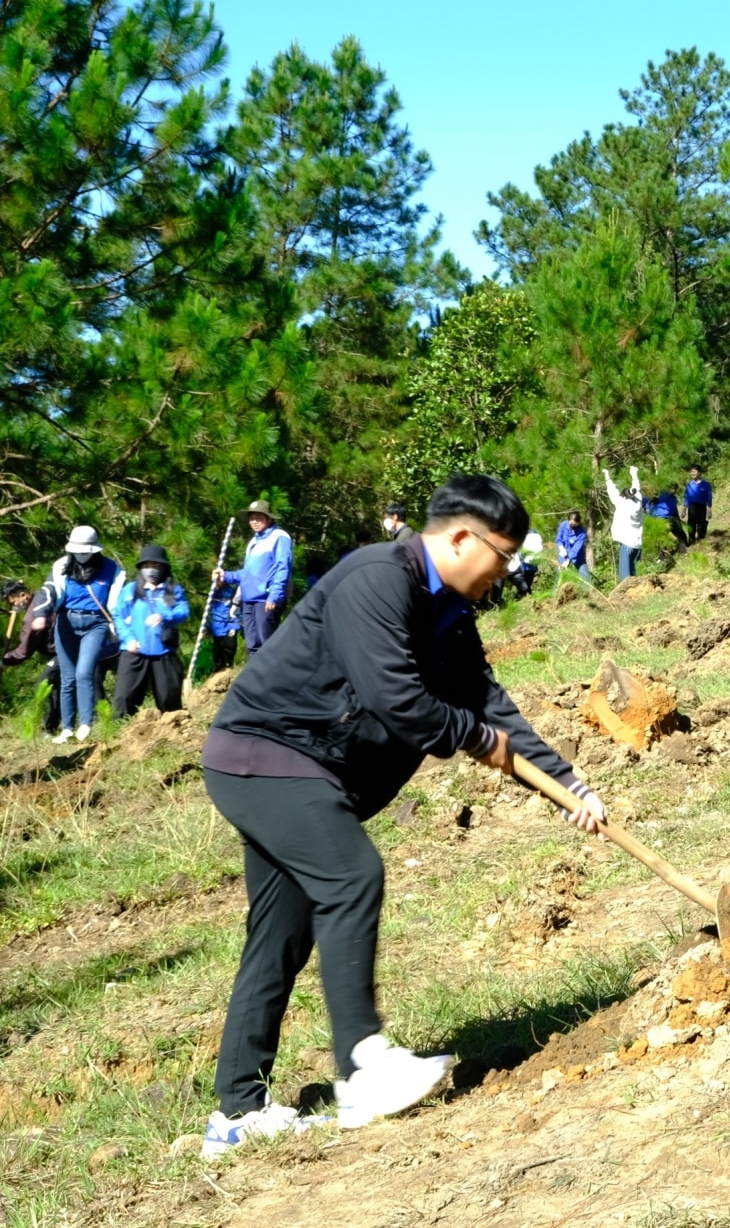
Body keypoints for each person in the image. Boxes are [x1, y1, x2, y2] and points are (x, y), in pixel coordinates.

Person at [195, 476, 604, 1157]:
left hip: (311, 773)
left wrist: (568, 785)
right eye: (501, 555)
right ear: (462, 537)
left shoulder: (451, 615)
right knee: (353, 874)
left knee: (282, 934)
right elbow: (396, 697)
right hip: (265, 754)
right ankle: (363, 1066)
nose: (505, 570)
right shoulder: (377, 580)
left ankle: (237, 1112)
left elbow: (488, 704)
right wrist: (476, 740)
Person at [48, 526, 122, 744]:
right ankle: (67, 728)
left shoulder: (111, 569)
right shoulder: (61, 565)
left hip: (96, 624)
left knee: (84, 673)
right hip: (66, 623)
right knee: (67, 677)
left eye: (85, 549)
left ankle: (85, 724)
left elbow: (115, 601)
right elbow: (53, 593)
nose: (80, 554)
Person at [110, 544, 191, 716]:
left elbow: (183, 611)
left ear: (164, 568)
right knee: (124, 699)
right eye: (147, 566)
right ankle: (119, 735)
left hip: (164, 650)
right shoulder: (130, 590)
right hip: (134, 651)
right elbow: (118, 616)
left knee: (169, 699)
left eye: (156, 566)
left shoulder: (172, 590)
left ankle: (172, 733)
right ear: (140, 568)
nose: (151, 570)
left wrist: (165, 616)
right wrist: (129, 639)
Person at [218, 500, 291, 654]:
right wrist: (226, 575)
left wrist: (274, 596)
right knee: (252, 644)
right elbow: (247, 574)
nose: (255, 521)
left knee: (268, 644)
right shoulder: (253, 542)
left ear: (269, 518)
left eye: (259, 517)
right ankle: (254, 677)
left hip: (266, 600)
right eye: (252, 518)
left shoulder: (279, 536)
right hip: (249, 599)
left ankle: (274, 677)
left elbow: (282, 567)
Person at [3, 577, 60, 736]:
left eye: (12, 601)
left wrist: (5, 661)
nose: (12, 605)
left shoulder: (34, 613)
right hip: (60, 651)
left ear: (22, 595)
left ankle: (50, 728)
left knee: (44, 682)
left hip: (63, 651)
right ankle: (51, 727)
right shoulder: (37, 604)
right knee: (55, 686)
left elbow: (24, 650)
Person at [604, 466, 646, 578]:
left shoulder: (623, 505)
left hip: (627, 544)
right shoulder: (638, 501)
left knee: (625, 575)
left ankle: (626, 593)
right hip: (637, 544)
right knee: (632, 571)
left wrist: (607, 477)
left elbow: (612, 492)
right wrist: (634, 473)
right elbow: (636, 487)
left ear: (624, 497)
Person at [208, 572, 243, 672]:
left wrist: (235, 626)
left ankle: (228, 674)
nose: (217, 582)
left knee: (228, 656)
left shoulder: (231, 593)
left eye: (219, 579)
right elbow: (209, 612)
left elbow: (238, 610)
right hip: (216, 629)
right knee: (218, 660)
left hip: (229, 628)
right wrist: (208, 627)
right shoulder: (212, 593)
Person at [645, 479, 690, 550]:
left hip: (665, 517)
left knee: (676, 534)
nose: (674, 491)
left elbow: (674, 509)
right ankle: (663, 554)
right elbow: (650, 503)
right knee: (665, 536)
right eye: (673, 488)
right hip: (663, 518)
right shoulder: (663, 495)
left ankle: (682, 549)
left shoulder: (672, 498)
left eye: (675, 489)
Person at [554, 510, 593, 584]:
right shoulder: (563, 525)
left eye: (575, 524)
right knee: (560, 574)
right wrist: (561, 547)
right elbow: (559, 539)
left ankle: (589, 592)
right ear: (568, 521)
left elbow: (575, 550)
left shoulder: (582, 533)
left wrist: (568, 561)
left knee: (585, 576)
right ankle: (556, 593)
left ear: (579, 523)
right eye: (571, 524)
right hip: (564, 555)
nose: (572, 526)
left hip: (578, 557)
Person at [685, 466, 714, 542]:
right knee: (691, 523)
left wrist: (709, 509)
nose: (692, 473)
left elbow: (709, 496)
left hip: (702, 507)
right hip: (692, 507)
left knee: (701, 523)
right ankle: (691, 538)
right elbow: (686, 497)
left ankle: (701, 538)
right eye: (691, 472)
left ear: (700, 473)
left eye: (694, 471)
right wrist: (684, 509)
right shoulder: (689, 485)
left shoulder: (706, 484)